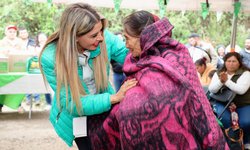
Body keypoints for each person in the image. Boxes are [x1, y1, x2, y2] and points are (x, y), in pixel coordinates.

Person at [87, 10, 228, 149]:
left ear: (144, 37)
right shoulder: (137, 60)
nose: (126, 45)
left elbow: (185, 100)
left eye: (127, 38)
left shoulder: (176, 56)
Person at [39, 3, 137, 149]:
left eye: (101, 31)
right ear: (75, 36)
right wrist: (114, 98)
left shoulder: (105, 38)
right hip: (77, 117)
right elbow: (73, 103)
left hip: (105, 110)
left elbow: (132, 57)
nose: (101, 38)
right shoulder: (51, 57)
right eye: (93, 35)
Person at [209, 52, 250, 148]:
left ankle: (246, 142)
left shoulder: (246, 73)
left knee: (246, 122)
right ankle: (229, 142)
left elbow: (241, 90)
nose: (231, 64)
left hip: (242, 104)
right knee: (224, 119)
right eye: (228, 61)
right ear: (225, 62)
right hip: (222, 103)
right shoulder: (219, 72)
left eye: (234, 61)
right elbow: (212, 89)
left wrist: (226, 81)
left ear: (239, 63)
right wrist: (221, 81)